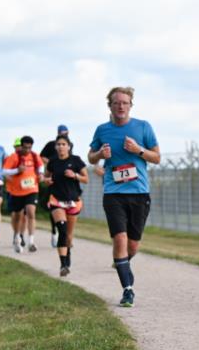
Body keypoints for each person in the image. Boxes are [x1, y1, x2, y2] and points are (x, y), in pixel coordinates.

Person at [88, 86, 160, 307]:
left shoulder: (143, 127)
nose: (120, 106)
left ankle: (122, 263)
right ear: (109, 106)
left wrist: (138, 150)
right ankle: (127, 289)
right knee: (119, 238)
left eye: (125, 102)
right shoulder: (102, 130)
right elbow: (91, 157)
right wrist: (100, 154)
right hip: (114, 193)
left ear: (130, 105)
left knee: (133, 246)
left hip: (139, 193)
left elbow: (156, 157)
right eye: (116, 102)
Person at [44, 135, 88, 276]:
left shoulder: (76, 161)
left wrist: (75, 175)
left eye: (63, 144)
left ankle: (67, 255)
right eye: (58, 144)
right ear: (56, 147)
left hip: (73, 201)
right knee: (62, 229)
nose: (61, 147)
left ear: (69, 146)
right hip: (56, 200)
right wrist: (47, 181)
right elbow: (47, 177)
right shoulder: (52, 162)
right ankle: (63, 265)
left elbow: (86, 179)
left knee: (68, 235)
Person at [2, 136, 44, 253]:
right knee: (17, 216)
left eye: (29, 148)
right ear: (21, 146)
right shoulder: (14, 157)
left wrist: (40, 174)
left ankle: (31, 241)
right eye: (25, 148)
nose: (27, 150)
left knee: (31, 212)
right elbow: (4, 171)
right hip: (17, 191)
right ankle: (17, 237)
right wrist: (17, 171)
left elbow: (41, 166)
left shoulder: (35, 156)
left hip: (32, 189)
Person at [41, 124, 70, 248]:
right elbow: (41, 156)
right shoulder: (51, 144)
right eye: (62, 133)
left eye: (66, 134)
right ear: (58, 133)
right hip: (53, 179)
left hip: (66, 181)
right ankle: (54, 231)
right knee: (54, 206)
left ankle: (65, 235)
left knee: (68, 207)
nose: (64, 136)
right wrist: (53, 163)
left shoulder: (70, 145)